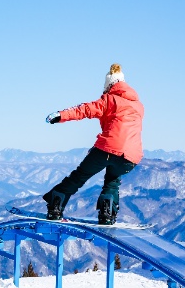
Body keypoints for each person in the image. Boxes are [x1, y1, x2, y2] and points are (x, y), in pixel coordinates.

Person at [42, 63, 144, 224]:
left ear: (109, 85)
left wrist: (61, 115)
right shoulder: (138, 105)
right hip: (131, 156)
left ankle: (55, 207)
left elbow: (85, 110)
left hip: (108, 149)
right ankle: (107, 215)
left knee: (79, 176)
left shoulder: (109, 99)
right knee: (113, 182)